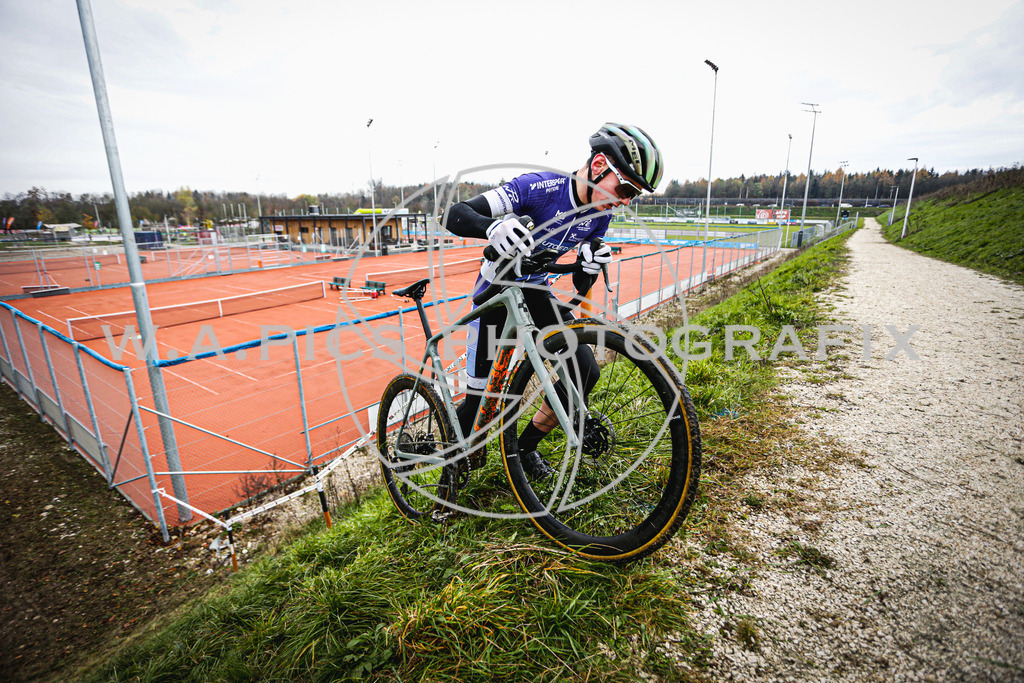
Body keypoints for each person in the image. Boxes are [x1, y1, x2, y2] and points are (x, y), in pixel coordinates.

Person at [442, 123, 664, 479]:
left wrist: (589, 265)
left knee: (585, 371)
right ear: (598, 166)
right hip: (497, 293)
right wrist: (491, 227)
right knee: (480, 400)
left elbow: (580, 280)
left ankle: (524, 447)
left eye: (632, 196)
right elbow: (453, 214)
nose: (624, 201)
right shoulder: (539, 187)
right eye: (623, 188)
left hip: (535, 293)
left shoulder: (600, 211)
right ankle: (449, 473)